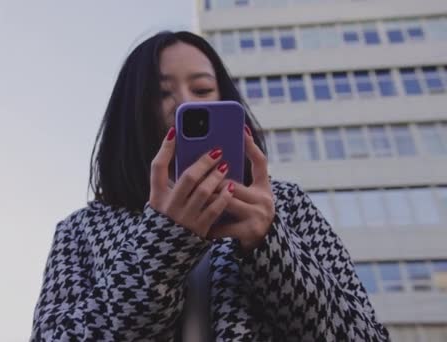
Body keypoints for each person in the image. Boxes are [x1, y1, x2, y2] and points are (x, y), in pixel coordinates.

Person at [29, 31, 390, 341]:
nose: (185, 102)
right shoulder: (81, 230)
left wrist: (271, 246)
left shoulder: (287, 204)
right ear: (133, 109)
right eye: (161, 93)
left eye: (202, 88)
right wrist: (164, 242)